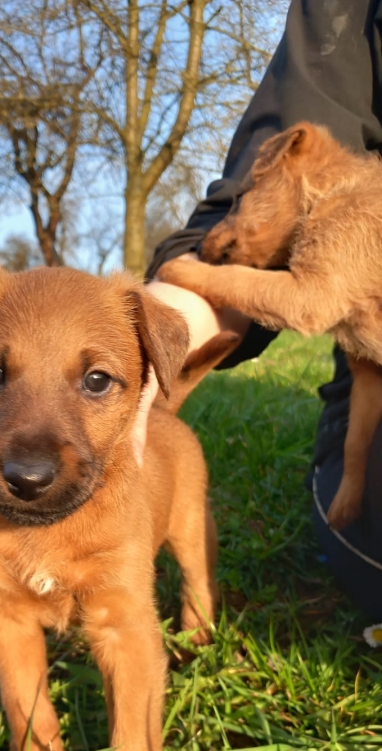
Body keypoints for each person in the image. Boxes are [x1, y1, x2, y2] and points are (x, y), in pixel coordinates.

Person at [145, 0, 382, 628]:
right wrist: (353, 481)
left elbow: (308, 304)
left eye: (249, 196)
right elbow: (369, 376)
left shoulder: (351, 212)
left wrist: (196, 274)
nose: (228, 230)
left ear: (291, 158)